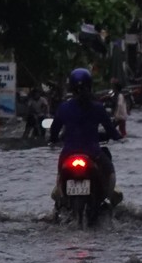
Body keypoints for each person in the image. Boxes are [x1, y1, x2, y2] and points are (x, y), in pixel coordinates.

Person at [48, 67, 122, 202]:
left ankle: (60, 194)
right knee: (110, 171)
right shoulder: (98, 107)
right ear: (90, 85)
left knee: (59, 178)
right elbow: (111, 131)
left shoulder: (63, 108)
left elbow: (54, 130)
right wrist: (118, 137)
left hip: (68, 154)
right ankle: (109, 196)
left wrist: (53, 140)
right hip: (93, 153)